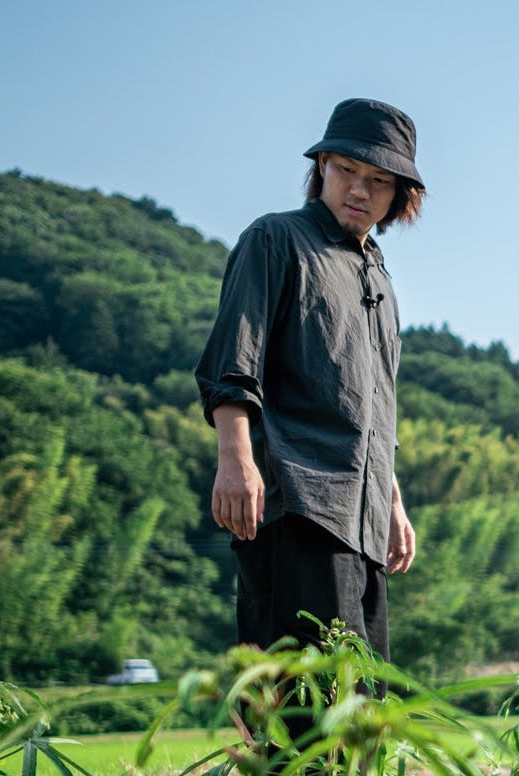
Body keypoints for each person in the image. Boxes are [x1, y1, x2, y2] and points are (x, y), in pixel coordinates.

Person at [195, 98, 426, 661]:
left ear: (399, 196)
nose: (359, 190)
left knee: (363, 706)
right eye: (346, 169)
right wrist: (236, 460)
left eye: (378, 180)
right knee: (302, 706)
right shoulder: (275, 240)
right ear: (321, 165)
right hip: (298, 502)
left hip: (364, 520)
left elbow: (375, 404)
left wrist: (391, 502)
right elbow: (233, 362)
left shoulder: (381, 279)